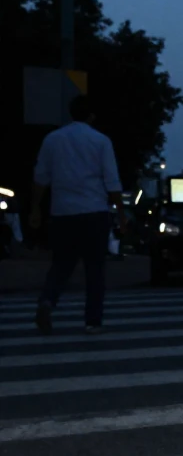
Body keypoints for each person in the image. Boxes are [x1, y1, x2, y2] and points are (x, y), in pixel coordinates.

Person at [30, 95, 127, 334]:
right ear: (92, 116)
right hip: (94, 211)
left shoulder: (53, 139)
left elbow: (41, 178)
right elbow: (112, 181)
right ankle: (92, 320)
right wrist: (121, 214)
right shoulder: (101, 141)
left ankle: (47, 300)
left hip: (62, 211)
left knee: (61, 264)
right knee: (95, 269)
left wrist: (35, 208)